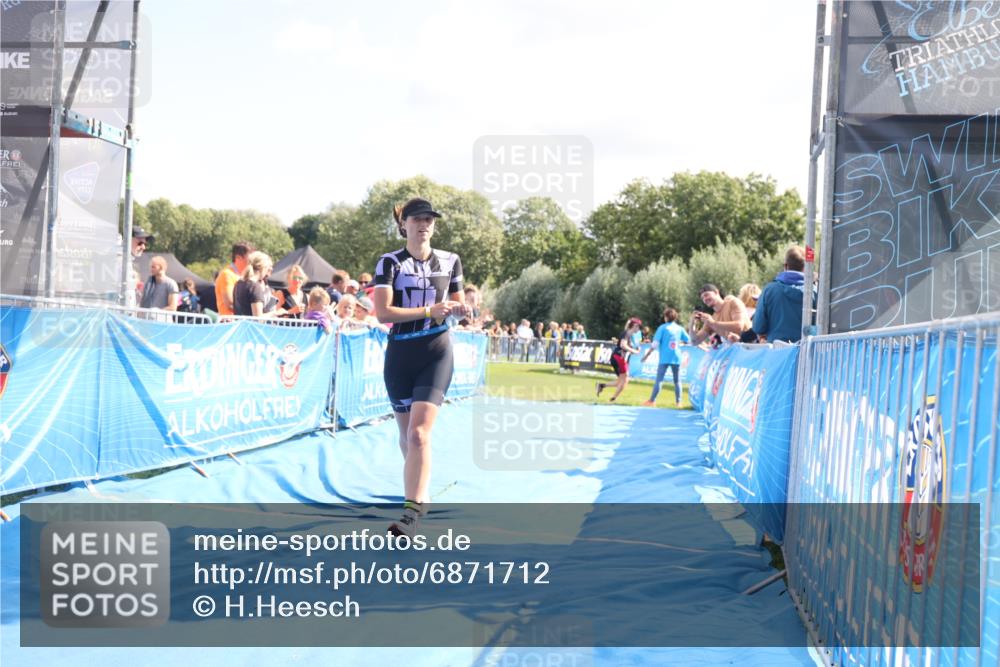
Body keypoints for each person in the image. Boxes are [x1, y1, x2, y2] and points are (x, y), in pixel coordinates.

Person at [372, 197, 466, 538]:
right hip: (400, 354)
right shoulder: (389, 263)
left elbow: (456, 301)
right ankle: (420, 492)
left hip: (436, 352)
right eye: (417, 219)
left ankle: (411, 513)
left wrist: (461, 309)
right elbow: (383, 314)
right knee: (406, 436)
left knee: (419, 433)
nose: (424, 224)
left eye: (429, 219)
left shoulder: (451, 261)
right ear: (404, 225)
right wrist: (430, 310)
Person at [753, 245, 812, 343]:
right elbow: (819, 327)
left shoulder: (769, 290)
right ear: (805, 267)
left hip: (778, 354)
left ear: (785, 266)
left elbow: (758, 327)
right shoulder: (813, 292)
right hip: (807, 353)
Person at [642, 307, 690, 407]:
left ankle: (652, 401)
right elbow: (690, 340)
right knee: (677, 381)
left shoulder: (662, 328)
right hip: (676, 357)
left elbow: (655, 344)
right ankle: (679, 403)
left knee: (659, 380)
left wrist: (646, 355)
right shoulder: (679, 328)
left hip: (664, 358)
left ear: (666, 317)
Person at [596, 317, 642, 402]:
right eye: (639, 327)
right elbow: (623, 345)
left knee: (622, 381)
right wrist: (634, 351)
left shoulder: (629, 334)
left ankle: (602, 387)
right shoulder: (627, 333)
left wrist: (633, 350)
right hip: (619, 358)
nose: (639, 329)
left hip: (620, 358)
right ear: (634, 326)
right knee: (625, 380)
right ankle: (613, 398)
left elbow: (625, 346)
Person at [233, 251, 286, 317]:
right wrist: (275, 313)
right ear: (263, 268)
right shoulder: (254, 287)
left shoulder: (238, 283)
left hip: (240, 325)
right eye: (267, 268)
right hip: (252, 327)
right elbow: (258, 318)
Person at [215, 241, 255, 317]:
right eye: (250, 259)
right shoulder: (227, 274)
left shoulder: (243, 275)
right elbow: (230, 304)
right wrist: (254, 310)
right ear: (238, 258)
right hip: (230, 324)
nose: (252, 262)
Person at [128, 226, 154, 307]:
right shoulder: (118, 260)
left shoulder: (128, 261)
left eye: (145, 244)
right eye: (140, 243)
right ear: (128, 240)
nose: (143, 247)